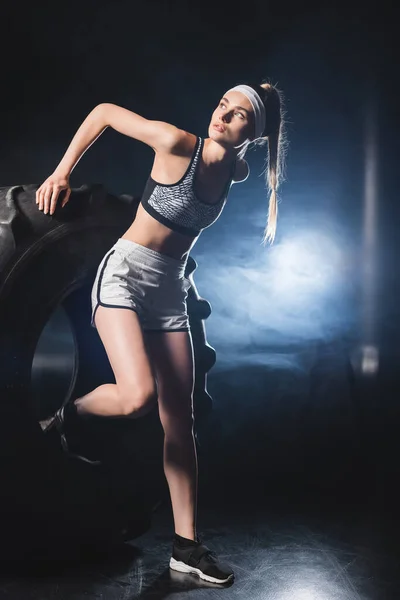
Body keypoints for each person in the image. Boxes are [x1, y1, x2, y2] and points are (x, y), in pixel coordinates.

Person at [36, 81, 286, 584]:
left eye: (238, 116)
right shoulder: (175, 143)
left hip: (169, 289)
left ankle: (186, 547)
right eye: (222, 105)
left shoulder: (236, 171)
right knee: (136, 397)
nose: (223, 117)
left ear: (253, 135)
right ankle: (65, 415)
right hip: (125, 275)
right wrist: (61, 172)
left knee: (181, 418)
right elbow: (104, 110)